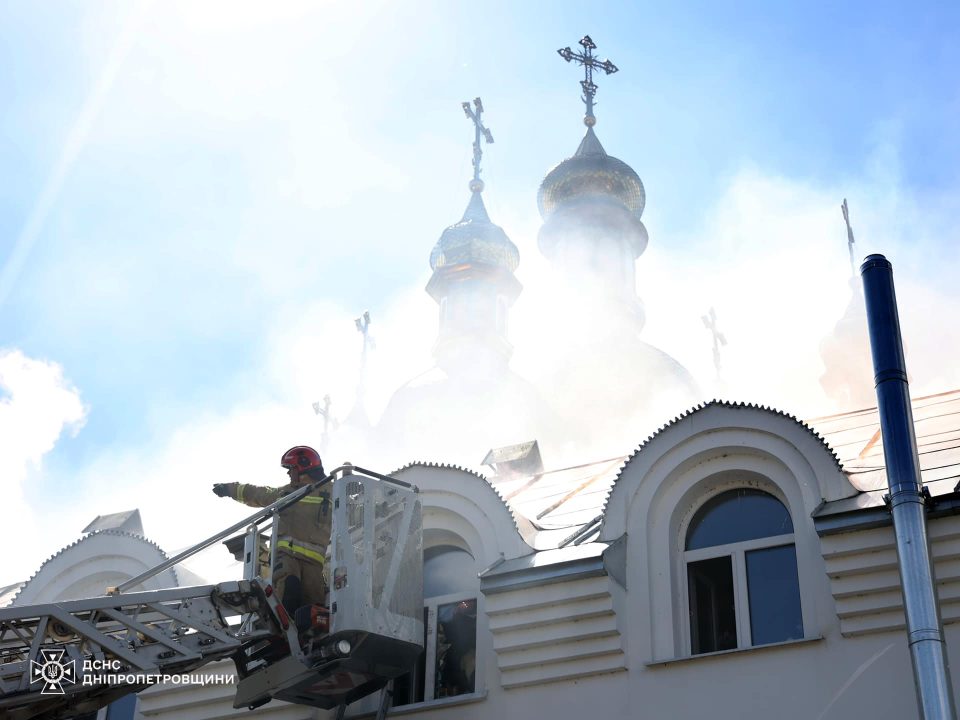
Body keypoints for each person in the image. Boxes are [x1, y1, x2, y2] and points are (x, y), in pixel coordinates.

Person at [213, 446, 330, 617]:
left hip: (315, 564)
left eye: (291, 469)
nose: (289, 474)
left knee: (315, 609)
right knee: (288, 595)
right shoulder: (287, 493)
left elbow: (355, 507)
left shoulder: (333, 491)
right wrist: (229, 489)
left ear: (303, 466)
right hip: (287, 558)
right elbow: (258, 493)